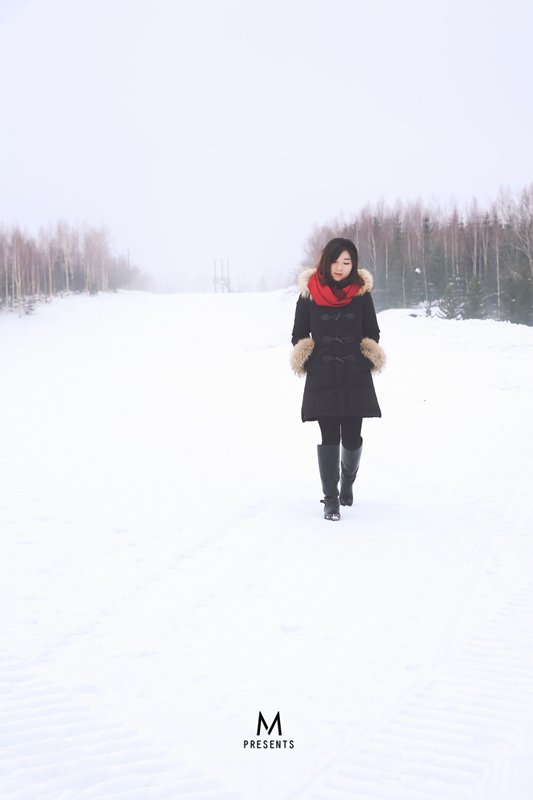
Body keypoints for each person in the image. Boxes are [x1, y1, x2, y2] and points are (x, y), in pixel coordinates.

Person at [290, 237, 385, 521]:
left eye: (347, 262)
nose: (340, 267)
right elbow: (298, 334)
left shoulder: (361, 294)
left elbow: (372, 332)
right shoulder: (309, 294)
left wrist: (363, 358)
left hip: (355, 376)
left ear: (353, 265)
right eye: (335, 261)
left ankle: (348, 484)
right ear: (325, 262)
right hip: (323, 376)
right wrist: (311, 358)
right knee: (329, 436)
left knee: (352, 438)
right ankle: (330, 499)